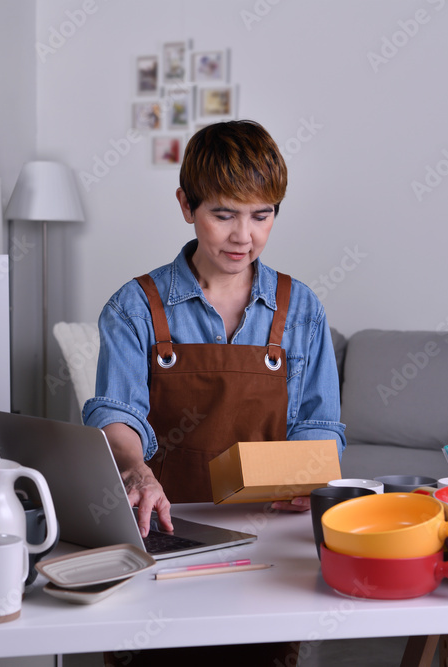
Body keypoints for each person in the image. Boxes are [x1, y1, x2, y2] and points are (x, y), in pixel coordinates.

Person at [83, 120, 346, 539]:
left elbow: (319, 426)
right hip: (167, 525)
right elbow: (117, 414)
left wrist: (309, 476)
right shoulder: (134, 307)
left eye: (262, 216)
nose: (244, 236)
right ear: (187, 206)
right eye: (223, 215)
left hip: (276, 531)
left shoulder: (302, 308)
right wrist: (135, 470)